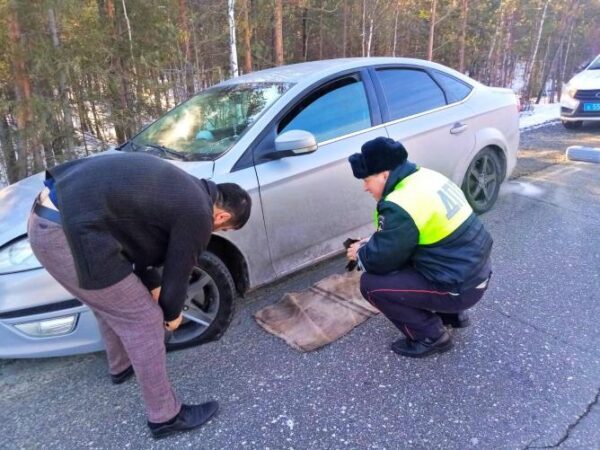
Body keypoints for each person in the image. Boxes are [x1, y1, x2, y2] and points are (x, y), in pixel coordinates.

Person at [27, 152, 251, 438]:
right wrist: (170, 316)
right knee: (144, 321)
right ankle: (165, 417)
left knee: (112, 303)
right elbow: (179, 270)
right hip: (66, 234)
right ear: (222, 216)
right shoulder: (198, 213)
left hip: (49, 218)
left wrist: (153, 285)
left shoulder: (189, 189)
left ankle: (122, 366)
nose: (217, 231)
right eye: (225, 228)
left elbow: (137, 239)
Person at [346, 137, 492, 358]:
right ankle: (453, 316)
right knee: (421, 254)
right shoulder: (426, 177)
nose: (365, 187)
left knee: (371, 284)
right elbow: (412, 233)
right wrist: (371, 242)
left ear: (385, 175)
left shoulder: (399, 203)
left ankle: (431, 337)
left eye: (366, 180)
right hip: (475, 273)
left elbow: (381, 261)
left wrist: (360, 253)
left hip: (460, 288)